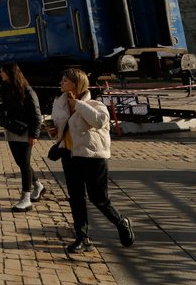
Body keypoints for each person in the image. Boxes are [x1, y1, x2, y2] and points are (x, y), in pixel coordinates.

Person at [50, 68, 134, 253]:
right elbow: (60, 125)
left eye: (65, 80)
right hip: (70, 155)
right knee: (76, 198)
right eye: (62, 79)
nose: (61, 82)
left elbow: (99, 121)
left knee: (99, 199)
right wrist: (55, 131)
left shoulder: (95, 105)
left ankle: (121, 221)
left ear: (76, 83)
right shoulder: (60, 104)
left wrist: (78, 104)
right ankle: (82, 237)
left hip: (92, 157)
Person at [0, 62, 43, 211]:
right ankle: (38, 186)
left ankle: (26, 198)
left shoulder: (27, 91)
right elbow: (8, 108)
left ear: (9, 72)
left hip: (24, 131)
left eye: (2, 71)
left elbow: (36, 115)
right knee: (21, 162)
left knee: (24, 164)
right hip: (11, 129)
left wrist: (34, 134)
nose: (0, 74)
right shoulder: (5, 88)